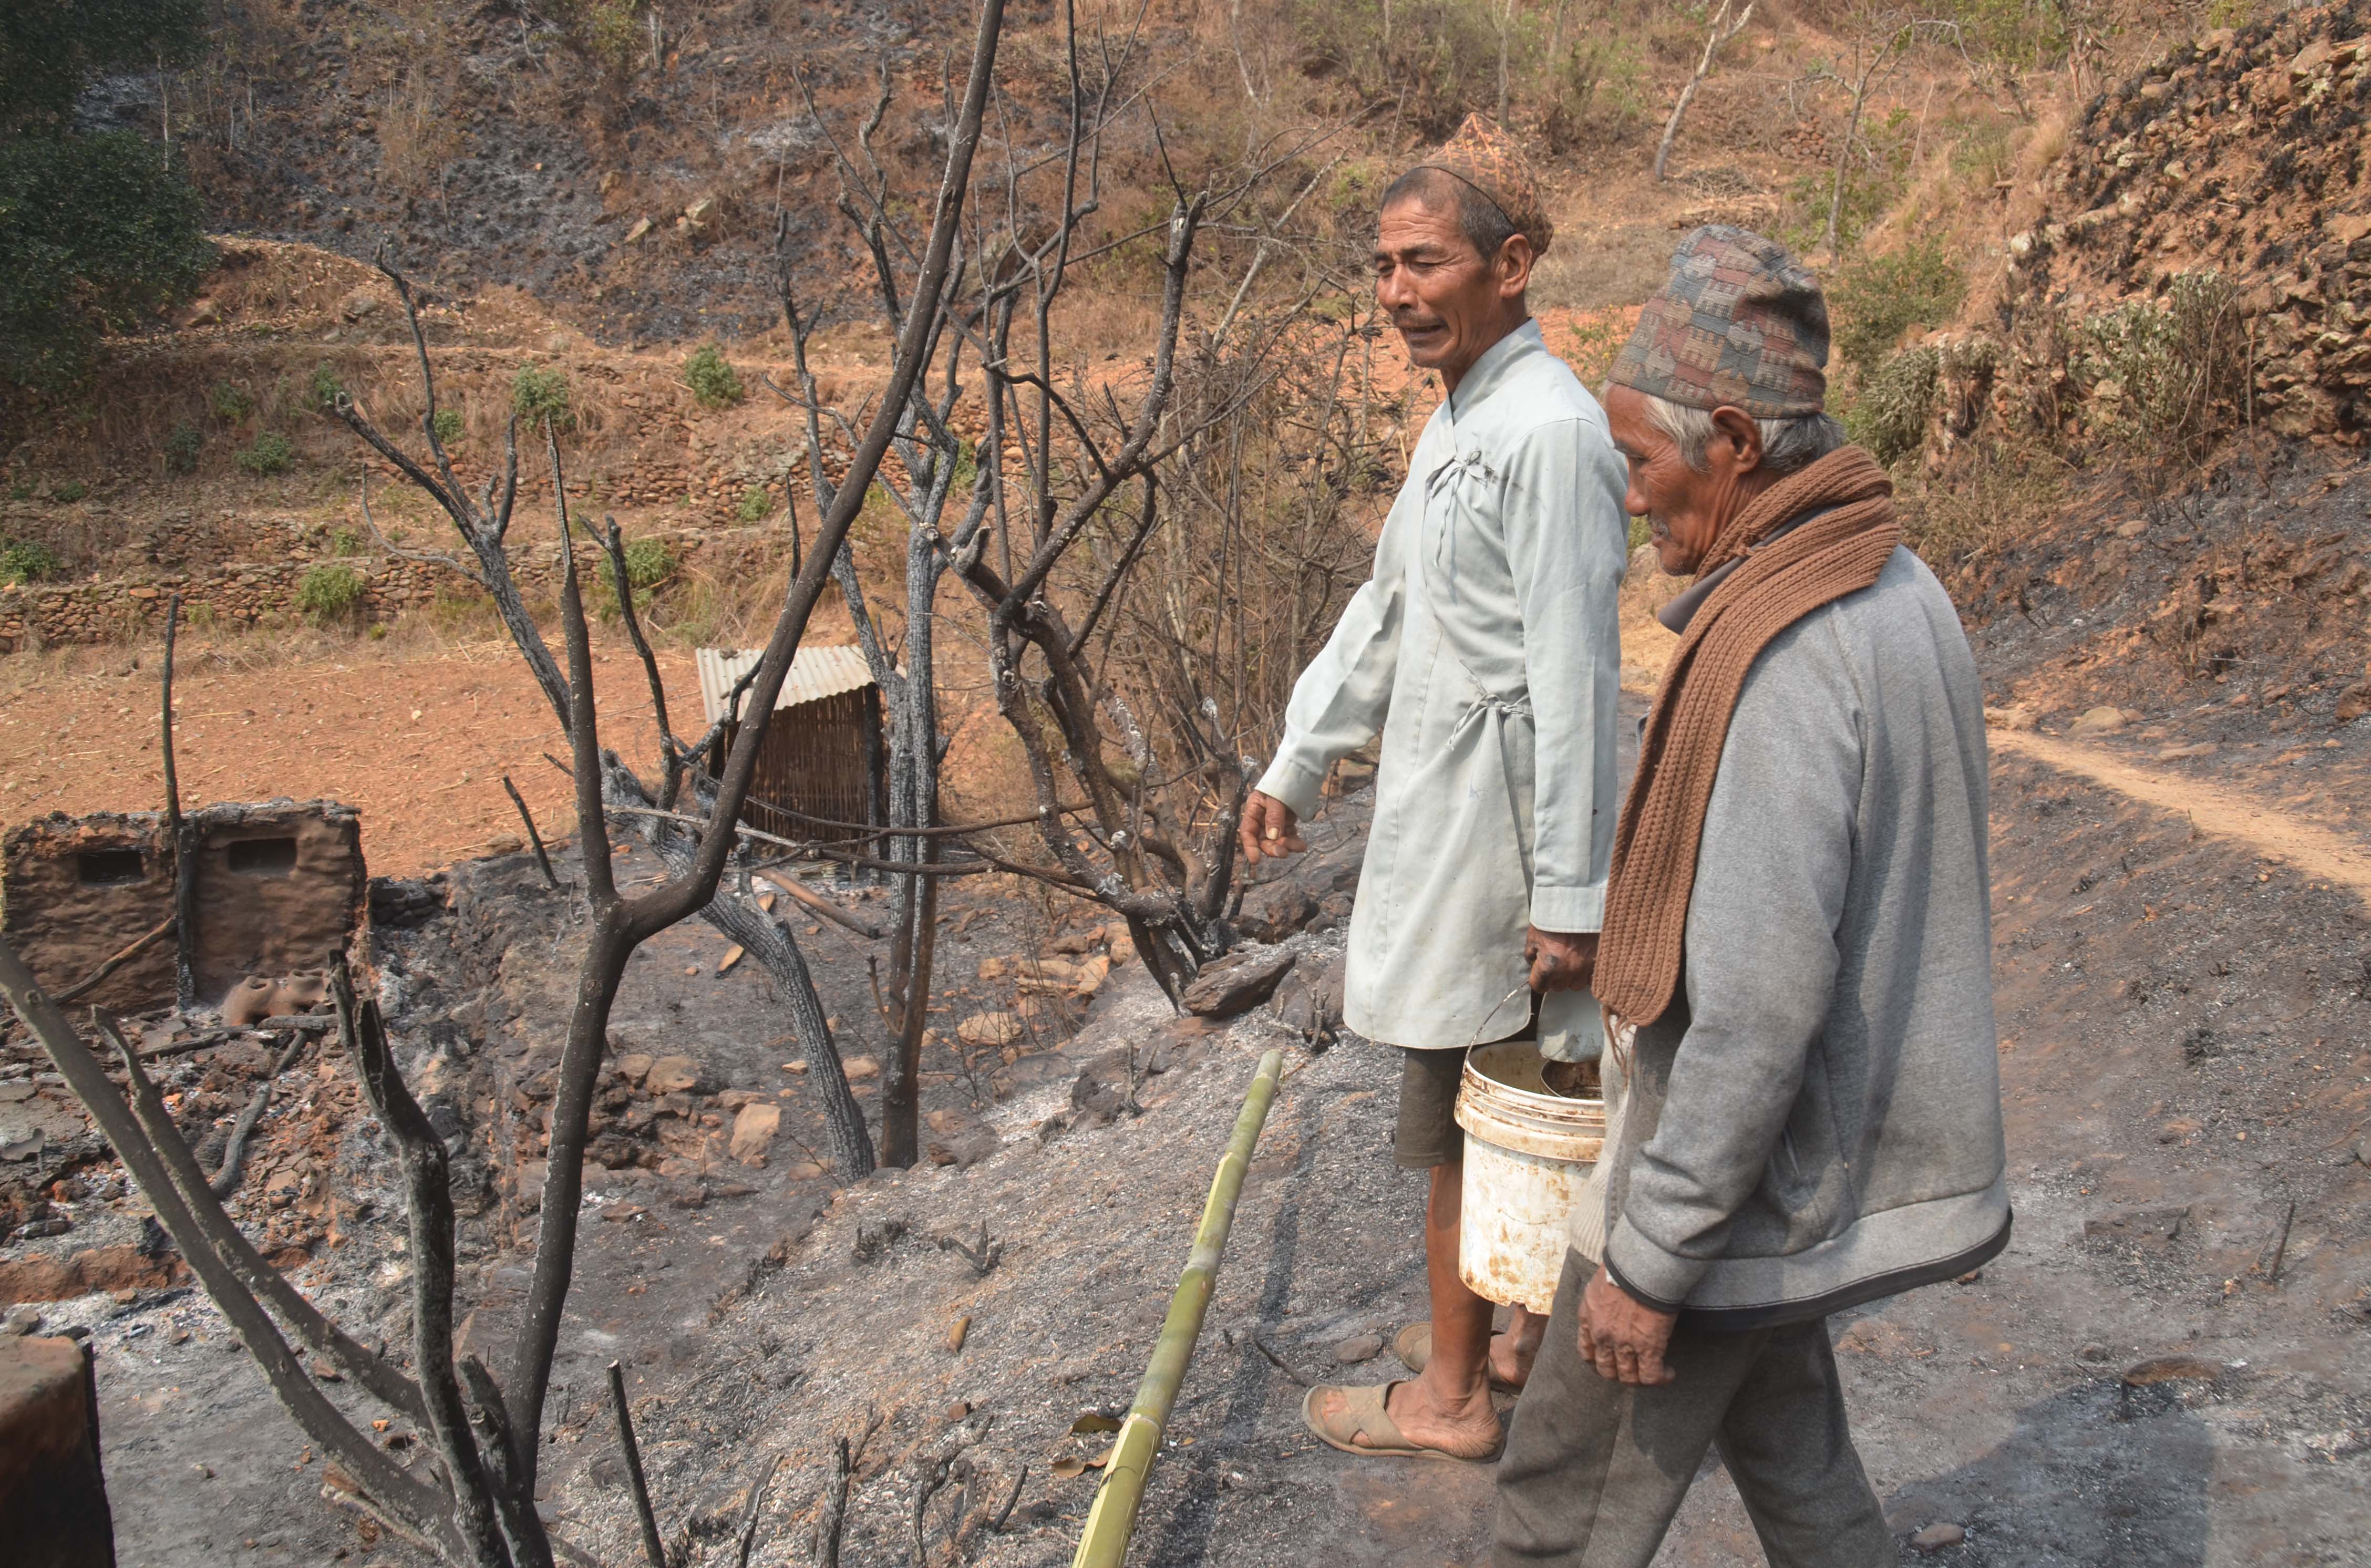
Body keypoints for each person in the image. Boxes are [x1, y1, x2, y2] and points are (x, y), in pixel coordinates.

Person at [1491, 225, 2013, 1565]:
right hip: (1791, 1169)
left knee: (1557, 1505)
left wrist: (1653, 1256)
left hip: (1728, 1186)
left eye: (1641, 462)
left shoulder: (1785, 651)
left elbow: (1761, 1000)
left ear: (1730, 437)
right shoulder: (1898, 583)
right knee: (1794, 1461)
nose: (1629, 496)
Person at [1239, 115, 1630, 1463]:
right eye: (1383, 265)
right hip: (1453, 812)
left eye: (1423, 262)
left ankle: (1454, 1399)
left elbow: (1580, 677)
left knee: (1473, 1104)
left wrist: (1574, 893)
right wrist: (1300, 754)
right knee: (1503, 1081)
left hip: (1506, 834)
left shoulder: (1552, 433)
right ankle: (1507, 1336)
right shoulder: (1462, 422)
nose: (1395, 292)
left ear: (1510, 264)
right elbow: (1388, 610)